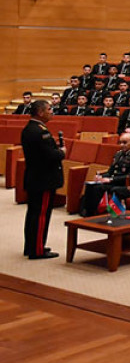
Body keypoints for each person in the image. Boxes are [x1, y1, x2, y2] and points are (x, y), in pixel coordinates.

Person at [21, 100, 63, 259]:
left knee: (33, 213)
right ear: (40, 112)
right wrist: (62, 152)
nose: (51, 111)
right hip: (43, 179)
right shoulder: (40, 132)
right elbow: (50, 155)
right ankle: (37, 249)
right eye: (49, 109)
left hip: (34, 177)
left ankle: (30, 246)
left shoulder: (29, 128)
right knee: (41, 215)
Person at [81, 132, 130, 216]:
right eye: (120, 142)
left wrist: (111, 179)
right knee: (90, 185)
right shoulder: (118, 154)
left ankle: (93, 214)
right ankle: (87, 212)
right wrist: (101, 176)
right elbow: (111, 171)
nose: (122, 145)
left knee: (99, 188)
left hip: (122, 183)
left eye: (125, 143)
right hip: (112, 180)